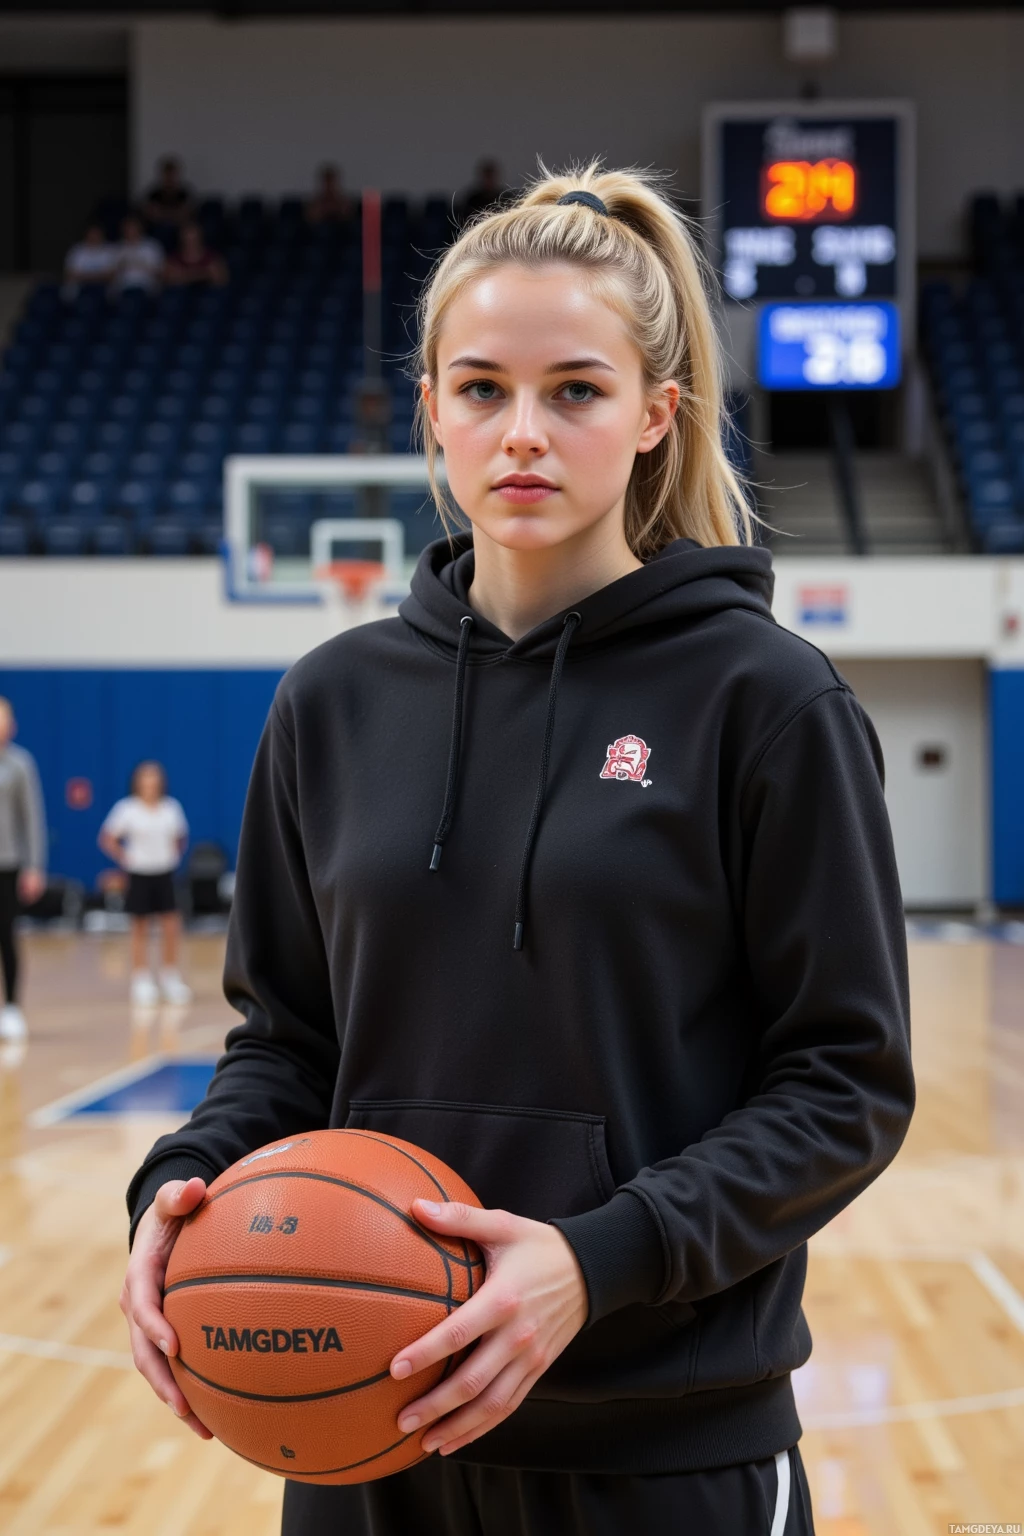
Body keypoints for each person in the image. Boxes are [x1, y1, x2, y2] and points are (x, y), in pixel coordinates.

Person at [121, 165, 915, 1536]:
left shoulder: (767, 701)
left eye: (577, 391)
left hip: (661, 1445)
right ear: (430, 409)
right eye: (482, 387)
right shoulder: (332, 700)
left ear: (657, 417)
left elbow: (845, 1083)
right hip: (364, 1432)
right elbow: (286, 1041)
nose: (524, 432)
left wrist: (594, 1264)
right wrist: (174, 1188)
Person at [99, 762, 191, 1007]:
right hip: (139, 873)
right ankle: (141, 979)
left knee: (170, 924)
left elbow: (181, 837)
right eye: (146, 778)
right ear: (138, 782)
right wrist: (125, 857)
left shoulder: (171, 808)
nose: (150, 783)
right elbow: (107, 838)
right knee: (139, 925)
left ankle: (169, 976)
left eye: (154, 778)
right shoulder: (127, 809)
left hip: (165, 873)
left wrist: (173, 854)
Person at [0, 698, 46, 1042]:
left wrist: (34, 866)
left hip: (8, 863)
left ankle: (12, 1007)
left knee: (6, 935)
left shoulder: (19, 764)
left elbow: (32, 819)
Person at [110, 214, 165, 297]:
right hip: (123, 289)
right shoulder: (117, 249)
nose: (130, 231)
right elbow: (110, 274)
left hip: (145, 288)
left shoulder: (151, 246)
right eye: (127, 228)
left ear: (140, 228)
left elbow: (160, 271)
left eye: (133, 228)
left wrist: (141, 265)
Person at [142, 155, 195, 234]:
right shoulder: (154, 194)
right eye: (167, 174)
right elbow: (151, 214)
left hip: (179, 231)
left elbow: (185, 215)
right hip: (157, 229)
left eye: (172, 174)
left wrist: (163, 213)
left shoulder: (184, 193)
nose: (169, 177)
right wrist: (174, 214)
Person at [62, 221, 117, 298]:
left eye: (96, 233)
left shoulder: (109, 250)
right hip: (80, 290)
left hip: (102, 290)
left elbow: (111, 275)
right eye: (92, 233)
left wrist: (85, 277)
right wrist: (98, 276)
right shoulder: (76, 250)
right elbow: (70, 274)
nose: (94, 236)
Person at [165, 223, 228, 288]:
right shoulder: (173, 258)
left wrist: (185, 275)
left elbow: (221, 279)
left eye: (194, 237)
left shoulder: (212, 256)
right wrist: (205, 273)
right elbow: (169, 279)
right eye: (187, 237)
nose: (191, 241)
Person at [460, 157, 507, 223]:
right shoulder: (473, 200)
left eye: (490, 177)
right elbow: (467, 221)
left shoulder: (505, 197)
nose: (489, 181)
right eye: (487, 177)